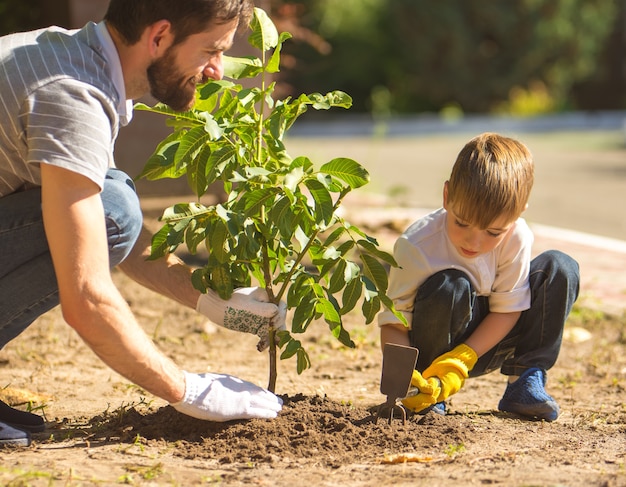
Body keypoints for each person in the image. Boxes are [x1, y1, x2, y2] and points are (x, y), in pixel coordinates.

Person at [0, 0, 286, 448]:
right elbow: (87, 297)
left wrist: (209, 298)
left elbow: (96, 230)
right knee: (116, 203)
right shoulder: (73, 95)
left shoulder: (76, 59)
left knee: (112, 198)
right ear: (159, 36)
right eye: (211, 50)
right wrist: (189, 391)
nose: (217, 71)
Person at [378, 132, 580, 422]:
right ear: (447, 197)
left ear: (517, 215)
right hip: (434, 350)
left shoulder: (517, 236)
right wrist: (406, 377)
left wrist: (463, 358)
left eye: (493, 232)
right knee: (450, 285)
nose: (474, 241)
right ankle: (430, 394)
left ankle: (524, 381)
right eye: (461, 223)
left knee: (560, 267)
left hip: (486, 344)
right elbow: (395, 322)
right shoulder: (418, 245)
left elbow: (507, 310)